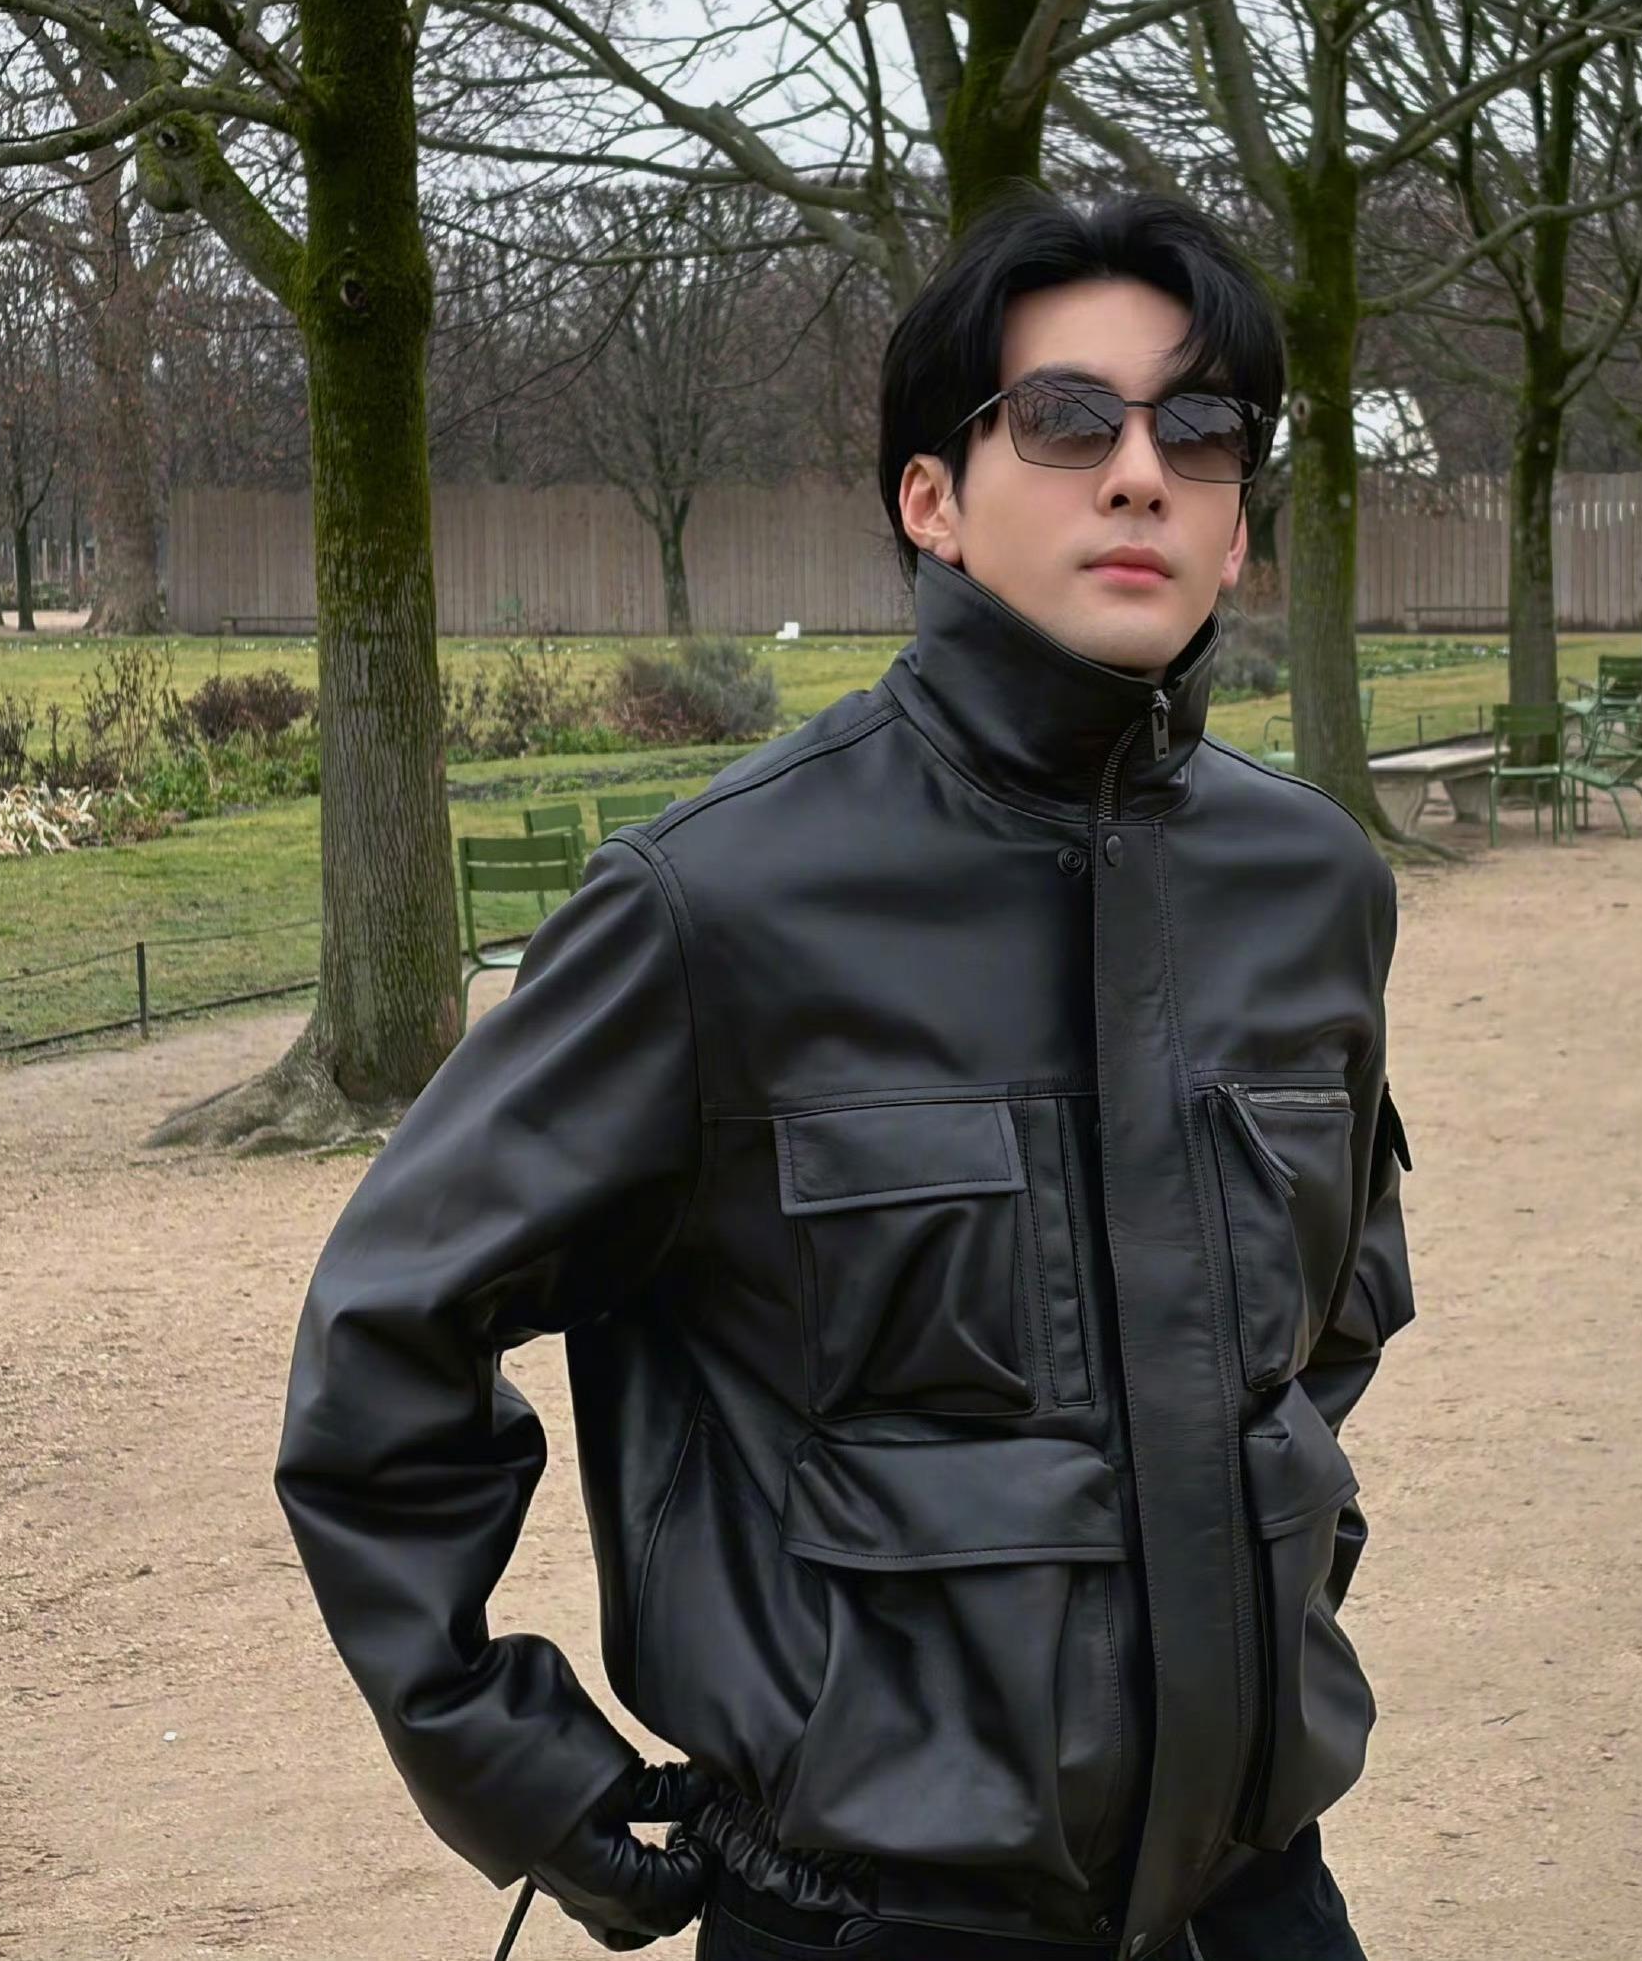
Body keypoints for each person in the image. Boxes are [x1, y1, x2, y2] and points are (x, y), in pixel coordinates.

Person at [276, 191, 1416, 1961]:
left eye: (1200, 431)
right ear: (931, 500)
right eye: (1068, 419)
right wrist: (511, 1766)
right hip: (875, 1916)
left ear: (1239, 523)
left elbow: (1327, 1326)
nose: (1142, 475)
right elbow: (389, 1335)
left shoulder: (1313, 884)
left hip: (1259, 1901)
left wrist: (1257, 1569)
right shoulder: (716, 905)